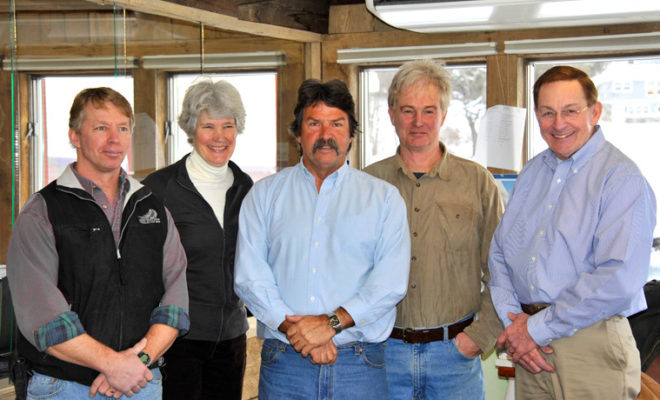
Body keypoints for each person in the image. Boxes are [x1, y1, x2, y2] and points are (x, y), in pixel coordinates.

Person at [7, 87, 190, 399]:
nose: (114, 139)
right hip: (65, 388)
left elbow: (174, 304)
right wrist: (113, 365)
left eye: (122, 128)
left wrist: (134, 364)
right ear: (75, 136)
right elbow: (44, 320)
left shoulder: (153, 207)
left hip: (142, 383)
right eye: (101, 128)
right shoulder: (42, 212)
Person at [234, 79, 411, 399]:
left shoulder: (383, 199)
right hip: (286, 361)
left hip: (359, 365)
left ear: (351, 134)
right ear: (298, 133)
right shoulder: (264, 195)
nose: (325, 134)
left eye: (337, 123)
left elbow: (389, 283)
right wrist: (298, 332)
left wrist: (330, 324)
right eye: (314, 123)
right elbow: (250, 277)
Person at [488, 65, 657, 399]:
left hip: (590, 343)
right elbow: (501, 254)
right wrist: (516, 325)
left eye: (570, 111)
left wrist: (534, 329)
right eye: (547, 113)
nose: (559, 124)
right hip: (530, 345)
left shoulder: (621, 179)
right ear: (536, 115)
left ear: (595, 112)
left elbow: (618, 278)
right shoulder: (533, 172)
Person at [364, 59, 504, 399]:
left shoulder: (477, 182)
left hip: (454, 358)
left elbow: (503, 269)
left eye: (429, 111)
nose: (418, 122)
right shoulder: (366, 184)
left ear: (443, 114)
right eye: (408, 110)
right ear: (391, 113)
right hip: (382, 356)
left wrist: (479, 337)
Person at [143, 78, 252, 399]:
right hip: (176, 339)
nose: (220, 137)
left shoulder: (246, 188)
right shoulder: (159, 189)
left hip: (232, 337)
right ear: (192, 130)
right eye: (208, 126)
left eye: (228, 126)